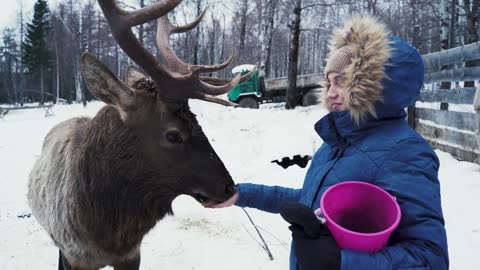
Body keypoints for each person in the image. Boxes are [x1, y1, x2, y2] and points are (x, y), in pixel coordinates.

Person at [210, 15, 448, 270]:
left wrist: (341, 263)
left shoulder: (405, 151)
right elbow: (314, 201)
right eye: (330, 81)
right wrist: (242, 194)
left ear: (375, 86)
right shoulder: (337, 142)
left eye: (343, 81)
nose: (331, 91)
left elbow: (430, 258)